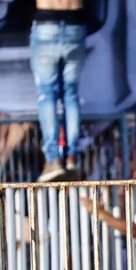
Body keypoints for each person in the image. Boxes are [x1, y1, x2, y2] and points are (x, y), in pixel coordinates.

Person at [30, 0, 88, 182]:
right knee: (70, 94)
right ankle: (71, 157)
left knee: (47, 95)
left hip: (46, 23)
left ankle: (53, 160)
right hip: (75, 23)